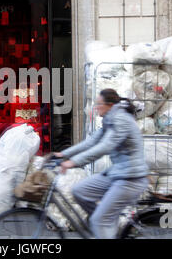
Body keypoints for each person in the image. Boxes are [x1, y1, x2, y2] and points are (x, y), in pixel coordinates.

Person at [54, 88, 149, 239]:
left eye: (99, 104)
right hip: (117, 174)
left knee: (99, 219)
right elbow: (91, 142)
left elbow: (105, 146)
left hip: (131, 178)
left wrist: (73, 162)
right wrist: (62, 154)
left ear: (110, 105)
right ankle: (106, 225)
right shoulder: (109, 119)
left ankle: (103, 224)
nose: (96, 107)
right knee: (79, 191)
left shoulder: (121, 119)